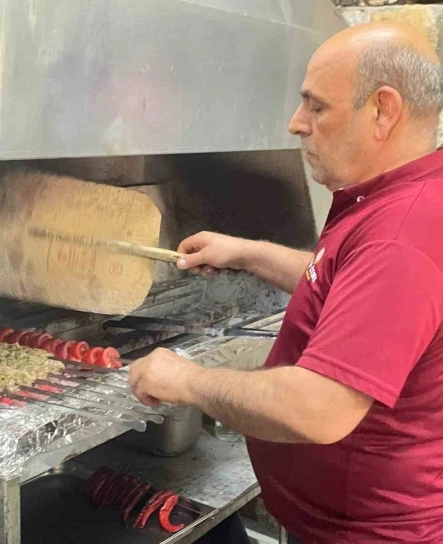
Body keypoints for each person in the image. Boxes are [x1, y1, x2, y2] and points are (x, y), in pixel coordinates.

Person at [129, 21, 443, 544]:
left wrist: (187, 380)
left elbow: (317, 407)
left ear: (383, 111)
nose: (297, 123)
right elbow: (355, 290)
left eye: (317, 107)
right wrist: (248, 254)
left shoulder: (401, 235)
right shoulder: (409, 196)